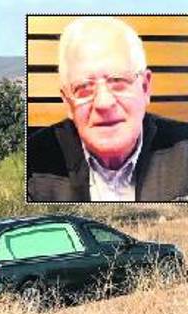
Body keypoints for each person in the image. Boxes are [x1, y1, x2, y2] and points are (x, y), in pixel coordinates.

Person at [27, 17, 188, 202]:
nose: (104, 103)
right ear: (68, 103)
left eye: (118, 81)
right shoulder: (34, 165)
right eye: (84, 88)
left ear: (145, 88)